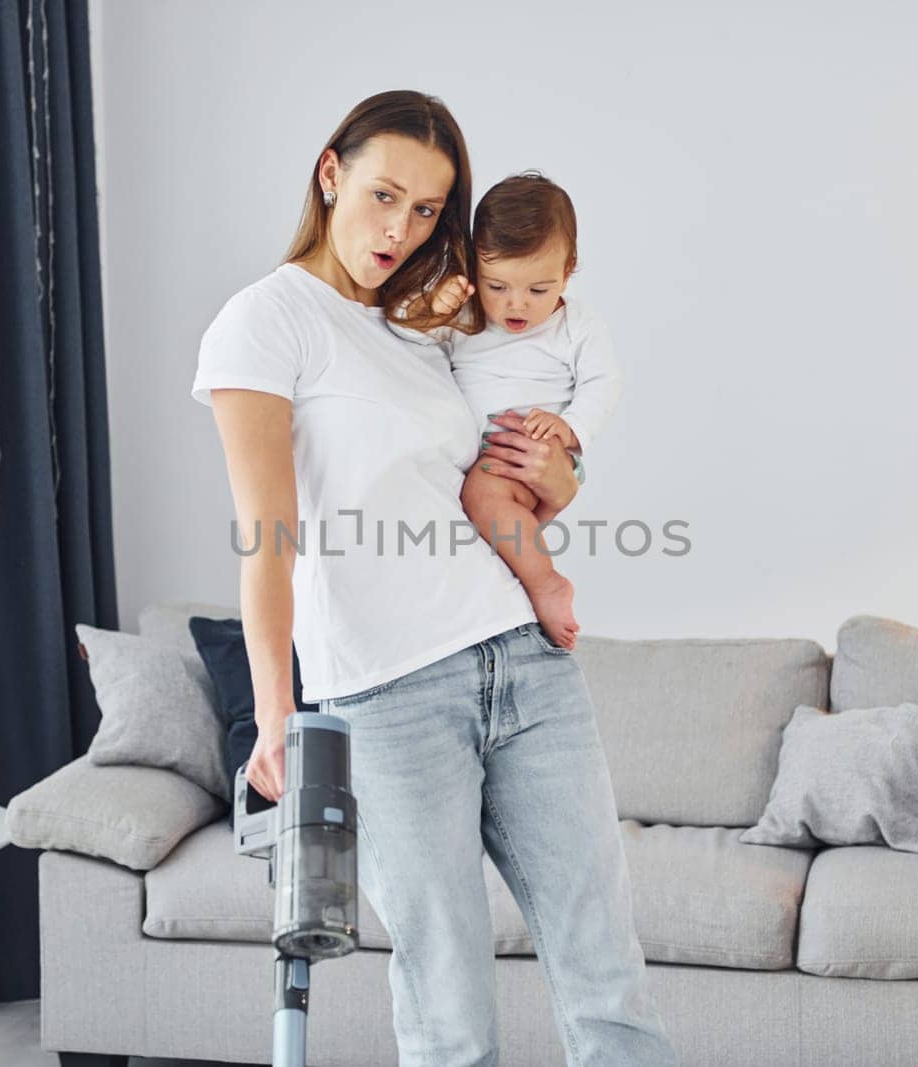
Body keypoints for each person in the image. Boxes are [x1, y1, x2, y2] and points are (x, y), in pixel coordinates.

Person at [190, 89, 678, 1067]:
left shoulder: (425, 325)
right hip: (389, 693)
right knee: (446, 993)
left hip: (524, 661)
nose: (399, 228)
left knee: (605, 969)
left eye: (425, 210)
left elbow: (505, 481)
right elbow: (266, 535)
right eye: (382, 195)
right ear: (329, 173)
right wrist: (276, 709)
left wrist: (563, 476)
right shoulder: (265, 321)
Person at [389, 172, 623, 652]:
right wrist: (435, 307)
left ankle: (546, 585)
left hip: (536, 446)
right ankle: (520, 577)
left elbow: (604, 382)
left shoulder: (576, 324)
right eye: (497, 286)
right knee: (479, 520)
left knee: (482, 498)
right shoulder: (468, 317)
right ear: (474, 268)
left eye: (539, 290)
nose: (516, 305)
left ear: (569, 268)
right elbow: (404, 340)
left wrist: (571, 427)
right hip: (490, 455)